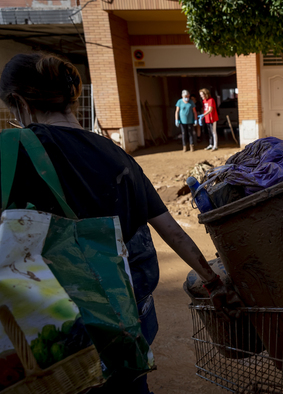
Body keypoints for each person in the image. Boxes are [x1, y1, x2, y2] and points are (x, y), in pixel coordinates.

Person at [0, 53, 242, 394]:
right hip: (130, 317)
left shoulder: (13, 149)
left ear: (19, 102)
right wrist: (214, 282)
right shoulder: (116, 154)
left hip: (61, 324)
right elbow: (170, 230)